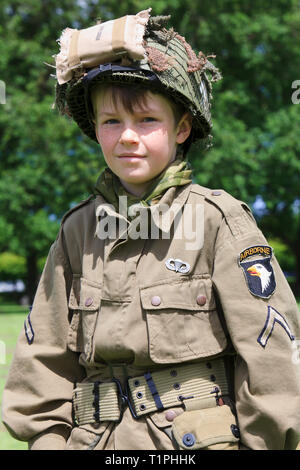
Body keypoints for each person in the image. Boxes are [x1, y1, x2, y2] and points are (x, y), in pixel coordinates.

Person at [2, 9, 300, 451]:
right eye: (111, 122)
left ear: (181, 128)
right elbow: (41, 363)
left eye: (146, 121)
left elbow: (272, 355)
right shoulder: (77, 231)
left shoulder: (219, 220)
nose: (127, 137)